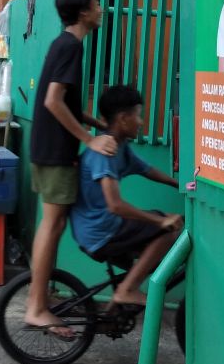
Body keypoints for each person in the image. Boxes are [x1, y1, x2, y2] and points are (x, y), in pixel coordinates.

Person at [24, 0, 118, 337]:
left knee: (54, 224)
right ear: (83, 12)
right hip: (54, 150)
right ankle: (36, 307)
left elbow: (69, 105)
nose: (101, 9)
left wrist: (97, 125)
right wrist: (90, 140)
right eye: (96, 3)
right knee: (52, 224)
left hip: (51, 148)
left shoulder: (65, 44)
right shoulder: (71, 47)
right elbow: (52, 101)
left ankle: (40, 292)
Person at [70, 85, 182, 308]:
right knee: (170, 230)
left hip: (103, 227)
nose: (140, 122)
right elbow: (116, 206)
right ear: (122, 119)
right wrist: (160, 221)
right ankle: (127, 290)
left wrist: (180, 185)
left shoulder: (120, 146)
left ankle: (115, 311)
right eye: (137, 116)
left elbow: (146, 169)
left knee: (155, 246)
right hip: (100, 231)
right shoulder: (106, 152)